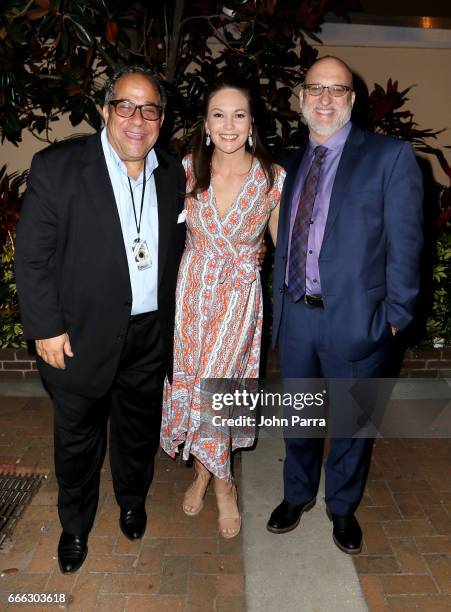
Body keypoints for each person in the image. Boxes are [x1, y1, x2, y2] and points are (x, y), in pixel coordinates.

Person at [14, 66, 187, 573]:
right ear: (108, 111)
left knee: (137, 432)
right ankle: (75, 526)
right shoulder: (58, 166)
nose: (138, 119)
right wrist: (45, 326)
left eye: (149, 108)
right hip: (77, 336)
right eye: (127, 106)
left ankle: (132, 500)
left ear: (161, 118)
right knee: (77, 439)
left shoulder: (174, 173)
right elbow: (33, 258)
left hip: (150, 333)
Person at [267, 56, 423, 554]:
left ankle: (341, 507)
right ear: (301, 98)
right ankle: (296, 495)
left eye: (338, 90)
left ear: (352, 101)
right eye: (316, 89)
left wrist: (396, 318)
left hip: (360, 319)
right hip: (296, 317)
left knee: (354, 423)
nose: (326, 99)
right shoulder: (289, 165)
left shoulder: (390, 157)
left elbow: (406, 244)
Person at [160, 75, 285, 538]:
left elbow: (285, 248)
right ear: (206, 123)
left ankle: (223, 488)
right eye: (219, 114)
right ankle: (203, 472)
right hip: (191, 295)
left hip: (238, 297)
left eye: (239, 114)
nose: (229, 125)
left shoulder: (273, 178)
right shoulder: (186, 169)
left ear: (252, 122)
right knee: (196, 385)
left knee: (217, 390)